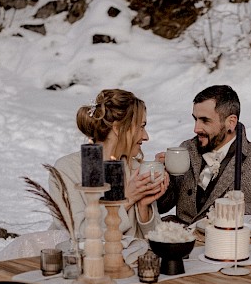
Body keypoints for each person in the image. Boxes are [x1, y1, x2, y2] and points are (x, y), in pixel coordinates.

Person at [156, 85, 251, 224]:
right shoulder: (186, 149)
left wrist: (234, 211)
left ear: (230, 122)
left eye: (205, 120)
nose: (196, 128)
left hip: (231, 243)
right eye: (195, 119)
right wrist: (160, 179)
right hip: (180, 241)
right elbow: (161, 206)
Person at [48, 88, 168, 239]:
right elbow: (78, 234)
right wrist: (128, 198)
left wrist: (144, 207)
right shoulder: (67, 169)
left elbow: (157, 240)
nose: (146, 136)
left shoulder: (136, 169)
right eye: (141, 126)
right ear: (117, 128)